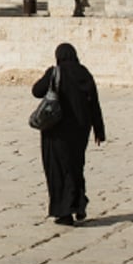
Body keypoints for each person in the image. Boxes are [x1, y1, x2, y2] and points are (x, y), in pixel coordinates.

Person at [31, 43, 105, 226]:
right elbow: (94, 102)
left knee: (58, 169)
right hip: (80, 130)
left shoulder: (55, 72)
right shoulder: (84, 73)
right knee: (76, 167)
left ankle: (63, 212)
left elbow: (36, 91)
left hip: (57, 131)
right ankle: (79, 205)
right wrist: (99, 130)